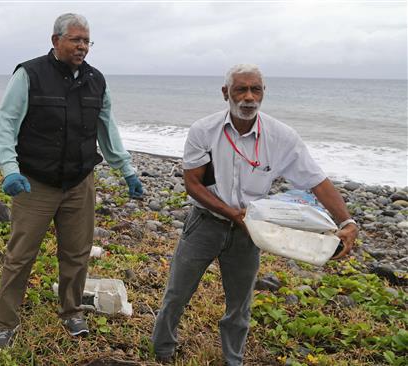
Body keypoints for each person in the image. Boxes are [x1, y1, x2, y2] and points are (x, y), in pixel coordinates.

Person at [151, 64, 359, 364]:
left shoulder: (281, 136)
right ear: (226, 93)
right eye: (241, 89)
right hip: (205, 223)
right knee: (177, 293)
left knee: (240, 304)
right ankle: (162, 351)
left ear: (263, 93)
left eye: (256, 89)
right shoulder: (204, 130)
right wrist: (233, 214)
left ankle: (232, 360)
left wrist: (347, 221)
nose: (249, 97)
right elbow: (193, 184)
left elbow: (316, 181)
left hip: (250, 231)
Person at [0, 13, 143, 347]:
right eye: (76, 39)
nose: (82, 47)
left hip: (79, 182)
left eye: (87, 41)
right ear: (55, 40)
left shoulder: (95, 81)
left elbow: (107, 128)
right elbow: (6, 123)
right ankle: (4, 321)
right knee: (20, 255)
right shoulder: (29, 74)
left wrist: (127, 169)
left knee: (77, 253)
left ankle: (72, 310)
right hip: (35, 183)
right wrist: (9, 168)